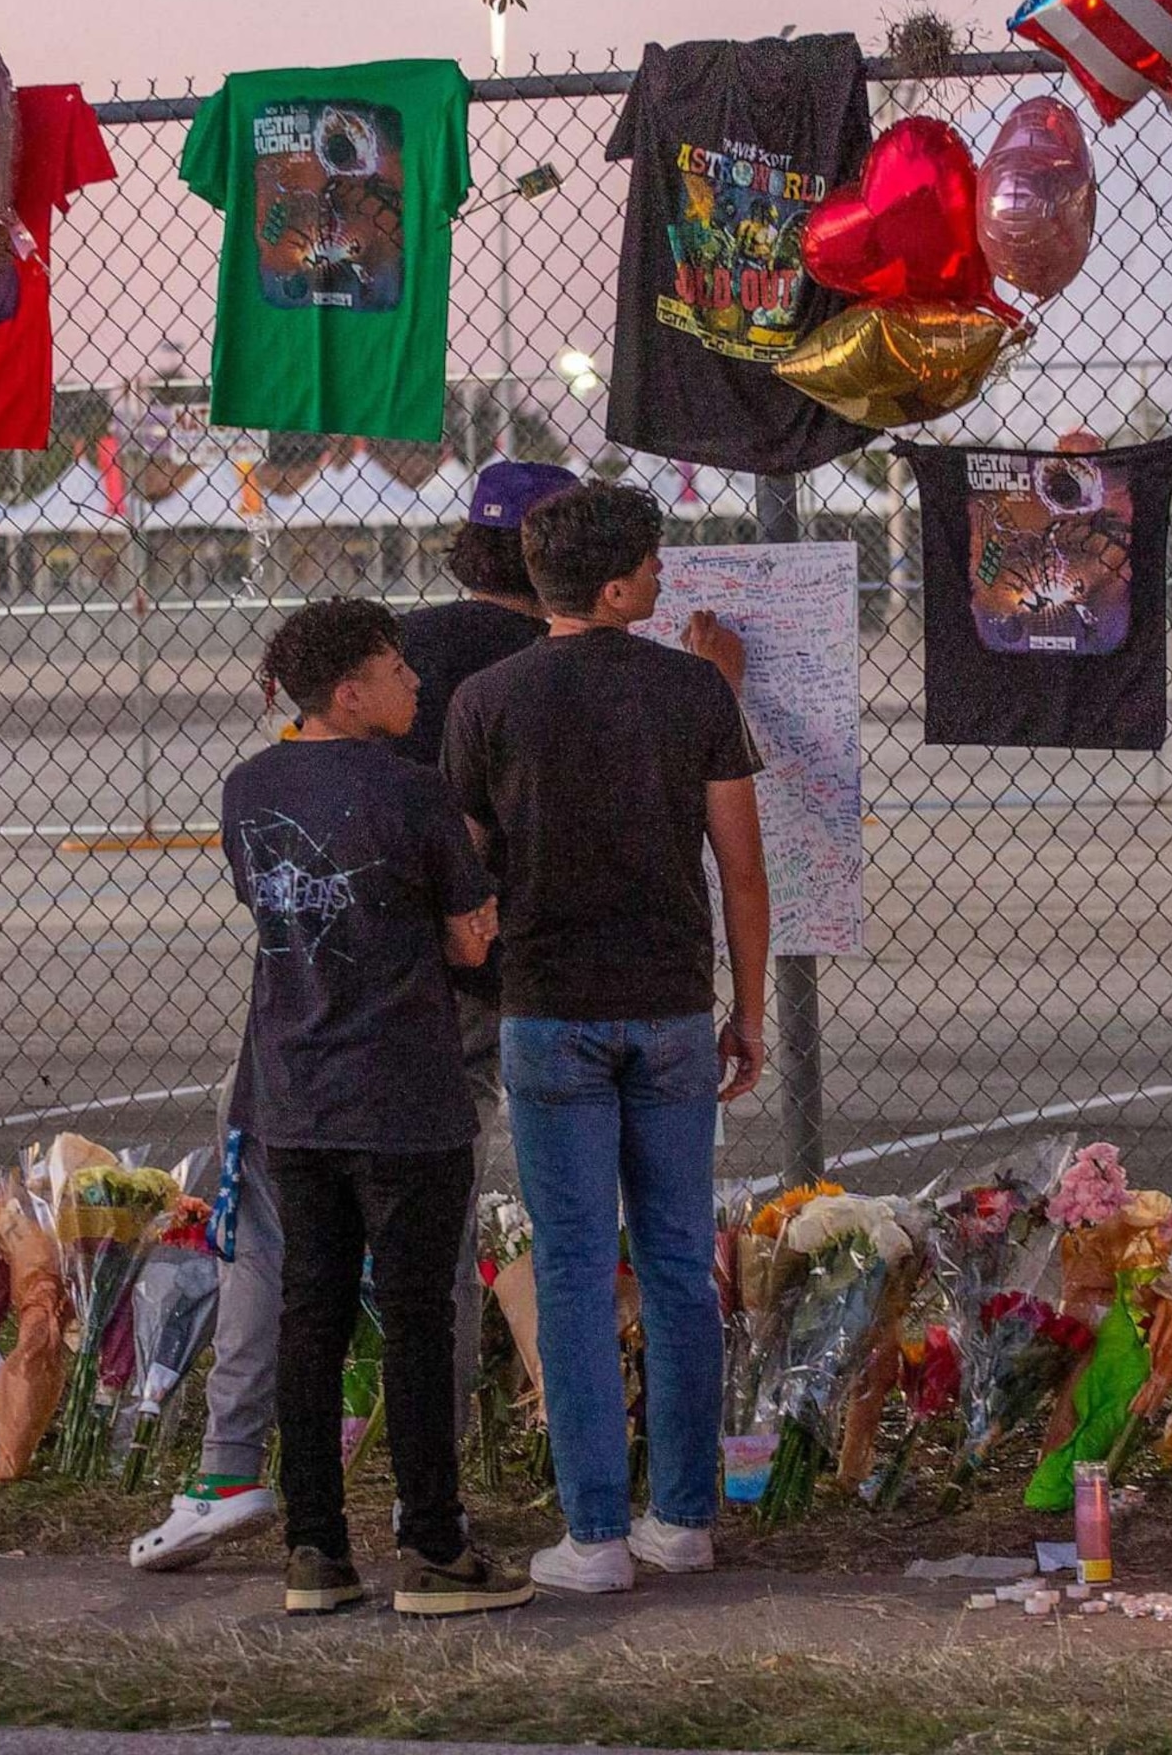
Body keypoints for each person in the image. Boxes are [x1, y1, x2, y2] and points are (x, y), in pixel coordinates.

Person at [129, 461, 576, 1574]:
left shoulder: (313, 725)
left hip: (303, 1039)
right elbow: (477, 914)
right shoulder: (548, 672)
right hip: (445, 1016)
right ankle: (437, 1516)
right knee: (427, 1275)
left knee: (292, 1275)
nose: (407, 682)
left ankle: (269, 1503)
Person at [443, 480, 769, 1595]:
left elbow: (467, 868)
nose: (668, 578)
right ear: (621, 585)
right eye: (657, 563)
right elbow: (739, 861)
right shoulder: (693, 694)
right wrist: (752, 1008)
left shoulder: (487, 700)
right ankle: (681, 1517)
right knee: (680, 1262)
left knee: (575, 1269)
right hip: (671, 1005)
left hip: (547, 1008)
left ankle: (592, 1536)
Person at [216, 597, 530, 1617]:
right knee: (414, 1315)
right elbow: (467, 937)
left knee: (311, 1311)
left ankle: (316, 1551)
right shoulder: (414, 793)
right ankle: (434, 1547)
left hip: (295, 1091)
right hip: (404, 1088)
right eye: (396, 672)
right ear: (350, 694)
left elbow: (271, 905)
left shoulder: (249, 789)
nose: (415, 685)